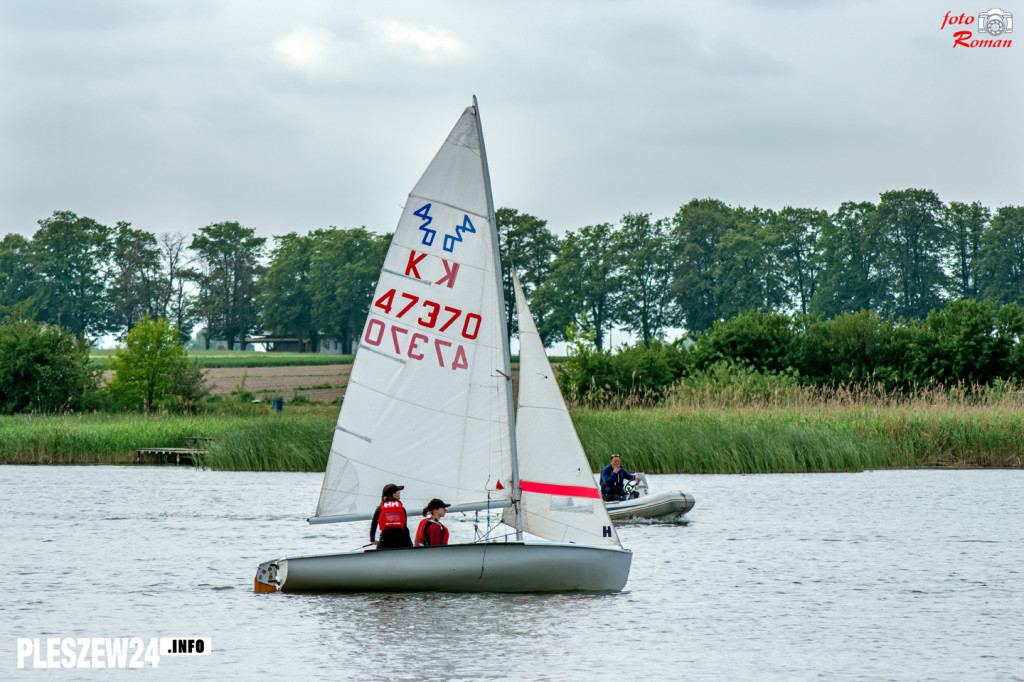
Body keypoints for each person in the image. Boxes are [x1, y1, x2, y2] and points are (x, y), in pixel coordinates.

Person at [370, 483, 412, 548]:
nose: (399, 493)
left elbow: (373, 526)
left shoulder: (380, 509)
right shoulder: (401, 509)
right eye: (398, 492)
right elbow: (404, 526)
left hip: (385, 542)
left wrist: (372, 540)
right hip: (401, 542)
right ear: (394, 495)